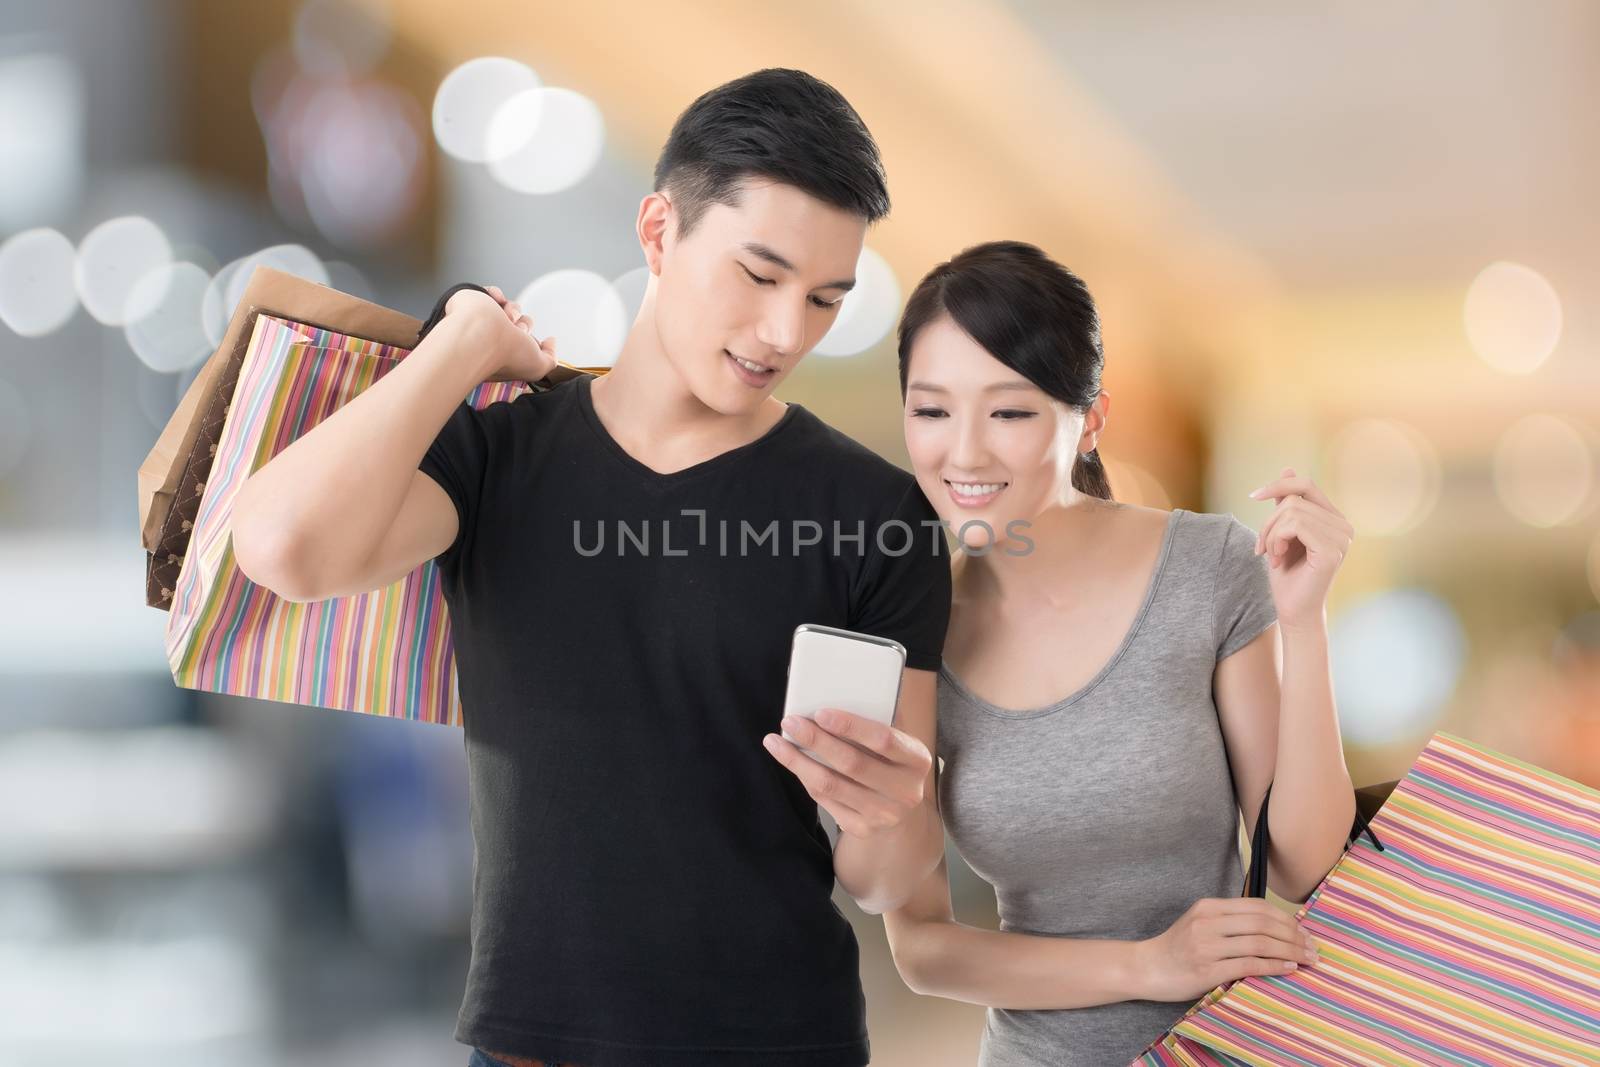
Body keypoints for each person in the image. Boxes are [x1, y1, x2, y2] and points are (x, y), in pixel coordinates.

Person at [230, 70, 951, 1067]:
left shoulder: (876, 513)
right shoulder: (502, 457)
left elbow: (884, 879)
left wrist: (894, 805)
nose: (787, 331)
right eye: (759, 274)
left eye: (825, 297)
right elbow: (280, 549)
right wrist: (463, 343)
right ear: (659, 232)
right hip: (530, 1046)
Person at [880, 241, 1361, 1066]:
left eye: (1008, 411)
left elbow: (1305, 862)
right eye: (932, 411)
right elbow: (923, 946)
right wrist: (1147, 962)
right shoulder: (913, 627)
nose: (963, 453)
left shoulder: (1208, 566)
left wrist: (1304, 624)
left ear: (1091, 419)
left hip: (1226, 1047)